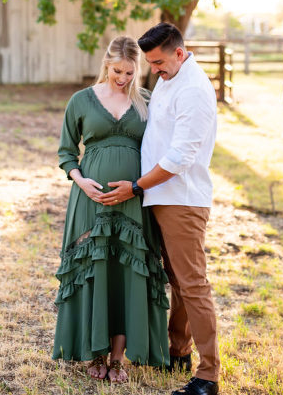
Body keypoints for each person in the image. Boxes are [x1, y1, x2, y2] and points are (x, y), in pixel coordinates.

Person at [98, 23, 220, 395]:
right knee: (178, 283)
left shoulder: (195, 90)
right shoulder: (170, 79)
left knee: (193, 285)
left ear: (179, 53)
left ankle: (209, 375)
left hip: (181, 199)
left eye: (159, 62)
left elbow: (180, 156)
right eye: (150, 63)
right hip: (160, 197)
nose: (155, 70)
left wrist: (135, 186)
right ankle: (177, 351)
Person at [52, 35, 169, 383]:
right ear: (106, 64)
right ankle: (95, 352)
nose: (123, 78)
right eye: (118, 71)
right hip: (92, 201)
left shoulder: (148, 101)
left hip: (134, 201)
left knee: (126, 270)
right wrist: (81, 180)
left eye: (130, 72)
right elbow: (65, 152)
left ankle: (117, 357)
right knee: (95, 267)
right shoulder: (81, 101)